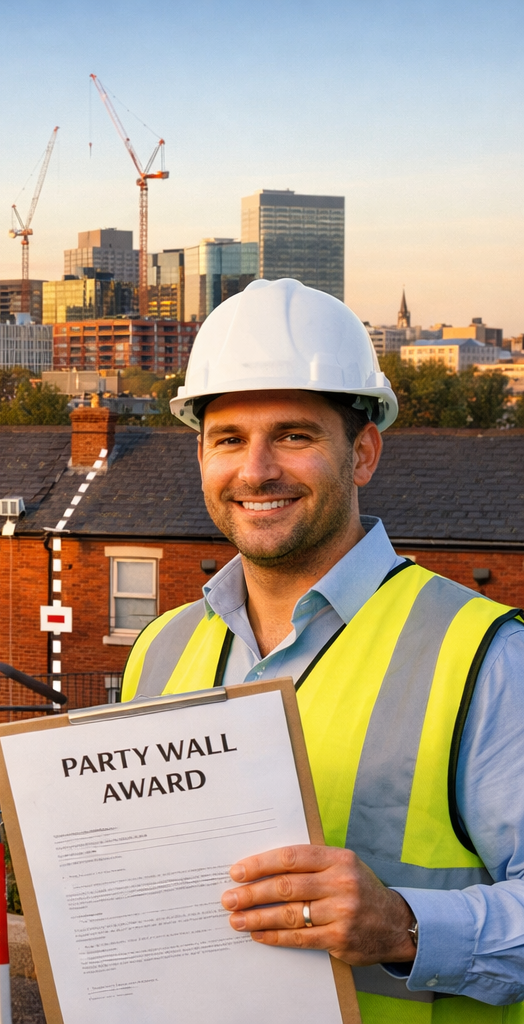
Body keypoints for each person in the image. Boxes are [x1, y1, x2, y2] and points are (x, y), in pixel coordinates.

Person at [120, 278, 524, 1020]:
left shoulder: (484, 656)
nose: (257, 470)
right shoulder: (160, 648)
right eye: (228, 439)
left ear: (363, 452)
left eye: (295, 436)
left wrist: (404, 926)